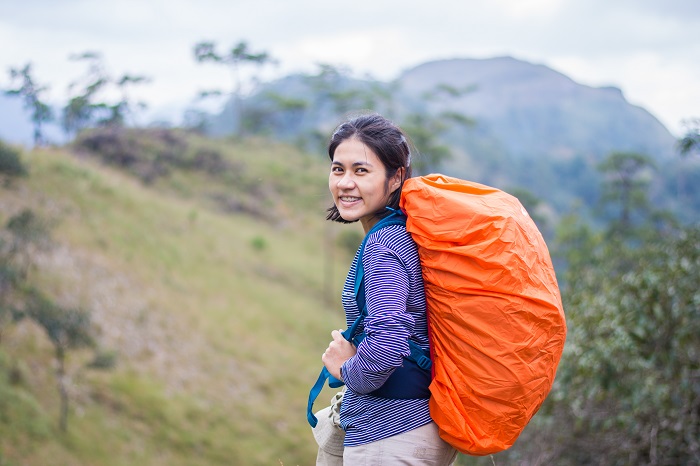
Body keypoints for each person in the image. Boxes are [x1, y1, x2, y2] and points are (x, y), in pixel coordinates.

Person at [317, 113, 458, 465]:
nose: (345, 183)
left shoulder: (383, 246)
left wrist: (346, 369)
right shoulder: (403, 233)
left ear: (395, 178)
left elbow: (387, 344)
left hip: (390, 437)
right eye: (338, 169)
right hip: (414, 427)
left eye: (361, 171)